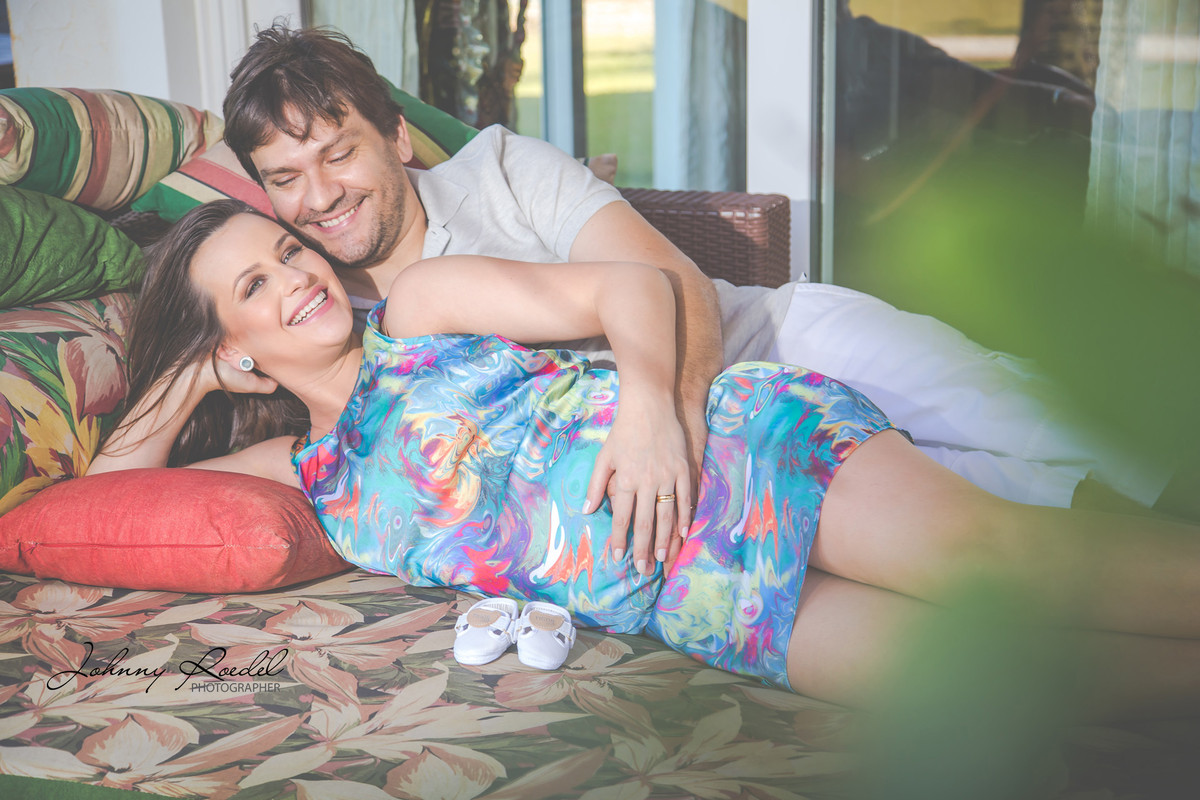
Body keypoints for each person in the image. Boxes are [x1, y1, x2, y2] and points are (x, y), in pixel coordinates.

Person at [90, 200, 1200, 717]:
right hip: (686, 599)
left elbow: (633, 285)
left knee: (1016, 563)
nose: (297, 274)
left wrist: (654, 414)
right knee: (1018, 685)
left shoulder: (418, 308)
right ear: (234, 348)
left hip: (741, 454)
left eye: (288, 248)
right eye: (255, 285)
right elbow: (104, 500)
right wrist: (192, 374)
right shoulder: (307, 470)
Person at [217, 24, 1185, 526]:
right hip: (744, 456)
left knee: (1023, 407)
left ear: (395, 136)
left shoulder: (502, 167)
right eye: (286, 179)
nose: (320, 197)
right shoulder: (322, 315)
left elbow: (668, 277)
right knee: (1003, 496)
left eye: (338, 153)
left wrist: (670, 422)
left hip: (767, 339)